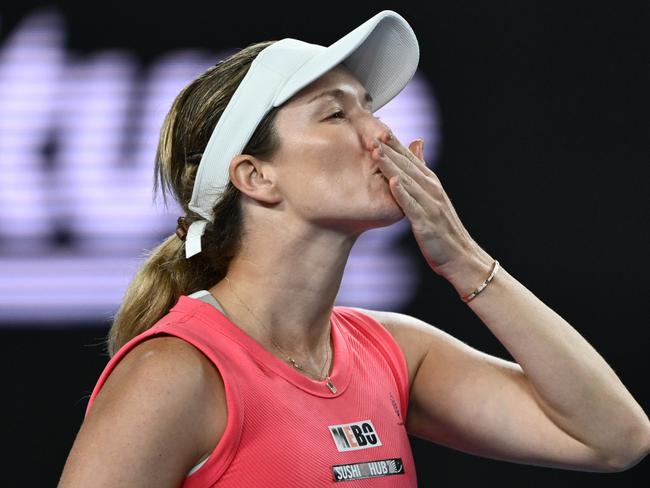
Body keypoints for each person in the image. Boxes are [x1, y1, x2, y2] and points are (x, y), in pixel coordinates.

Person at [58, 9, 649, 487]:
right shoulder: (175, 373)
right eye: (337, 113)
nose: (381, 133)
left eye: (370, 107)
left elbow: (614, 439)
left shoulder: (393, 352)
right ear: (255, 176)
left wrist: (465, 260)